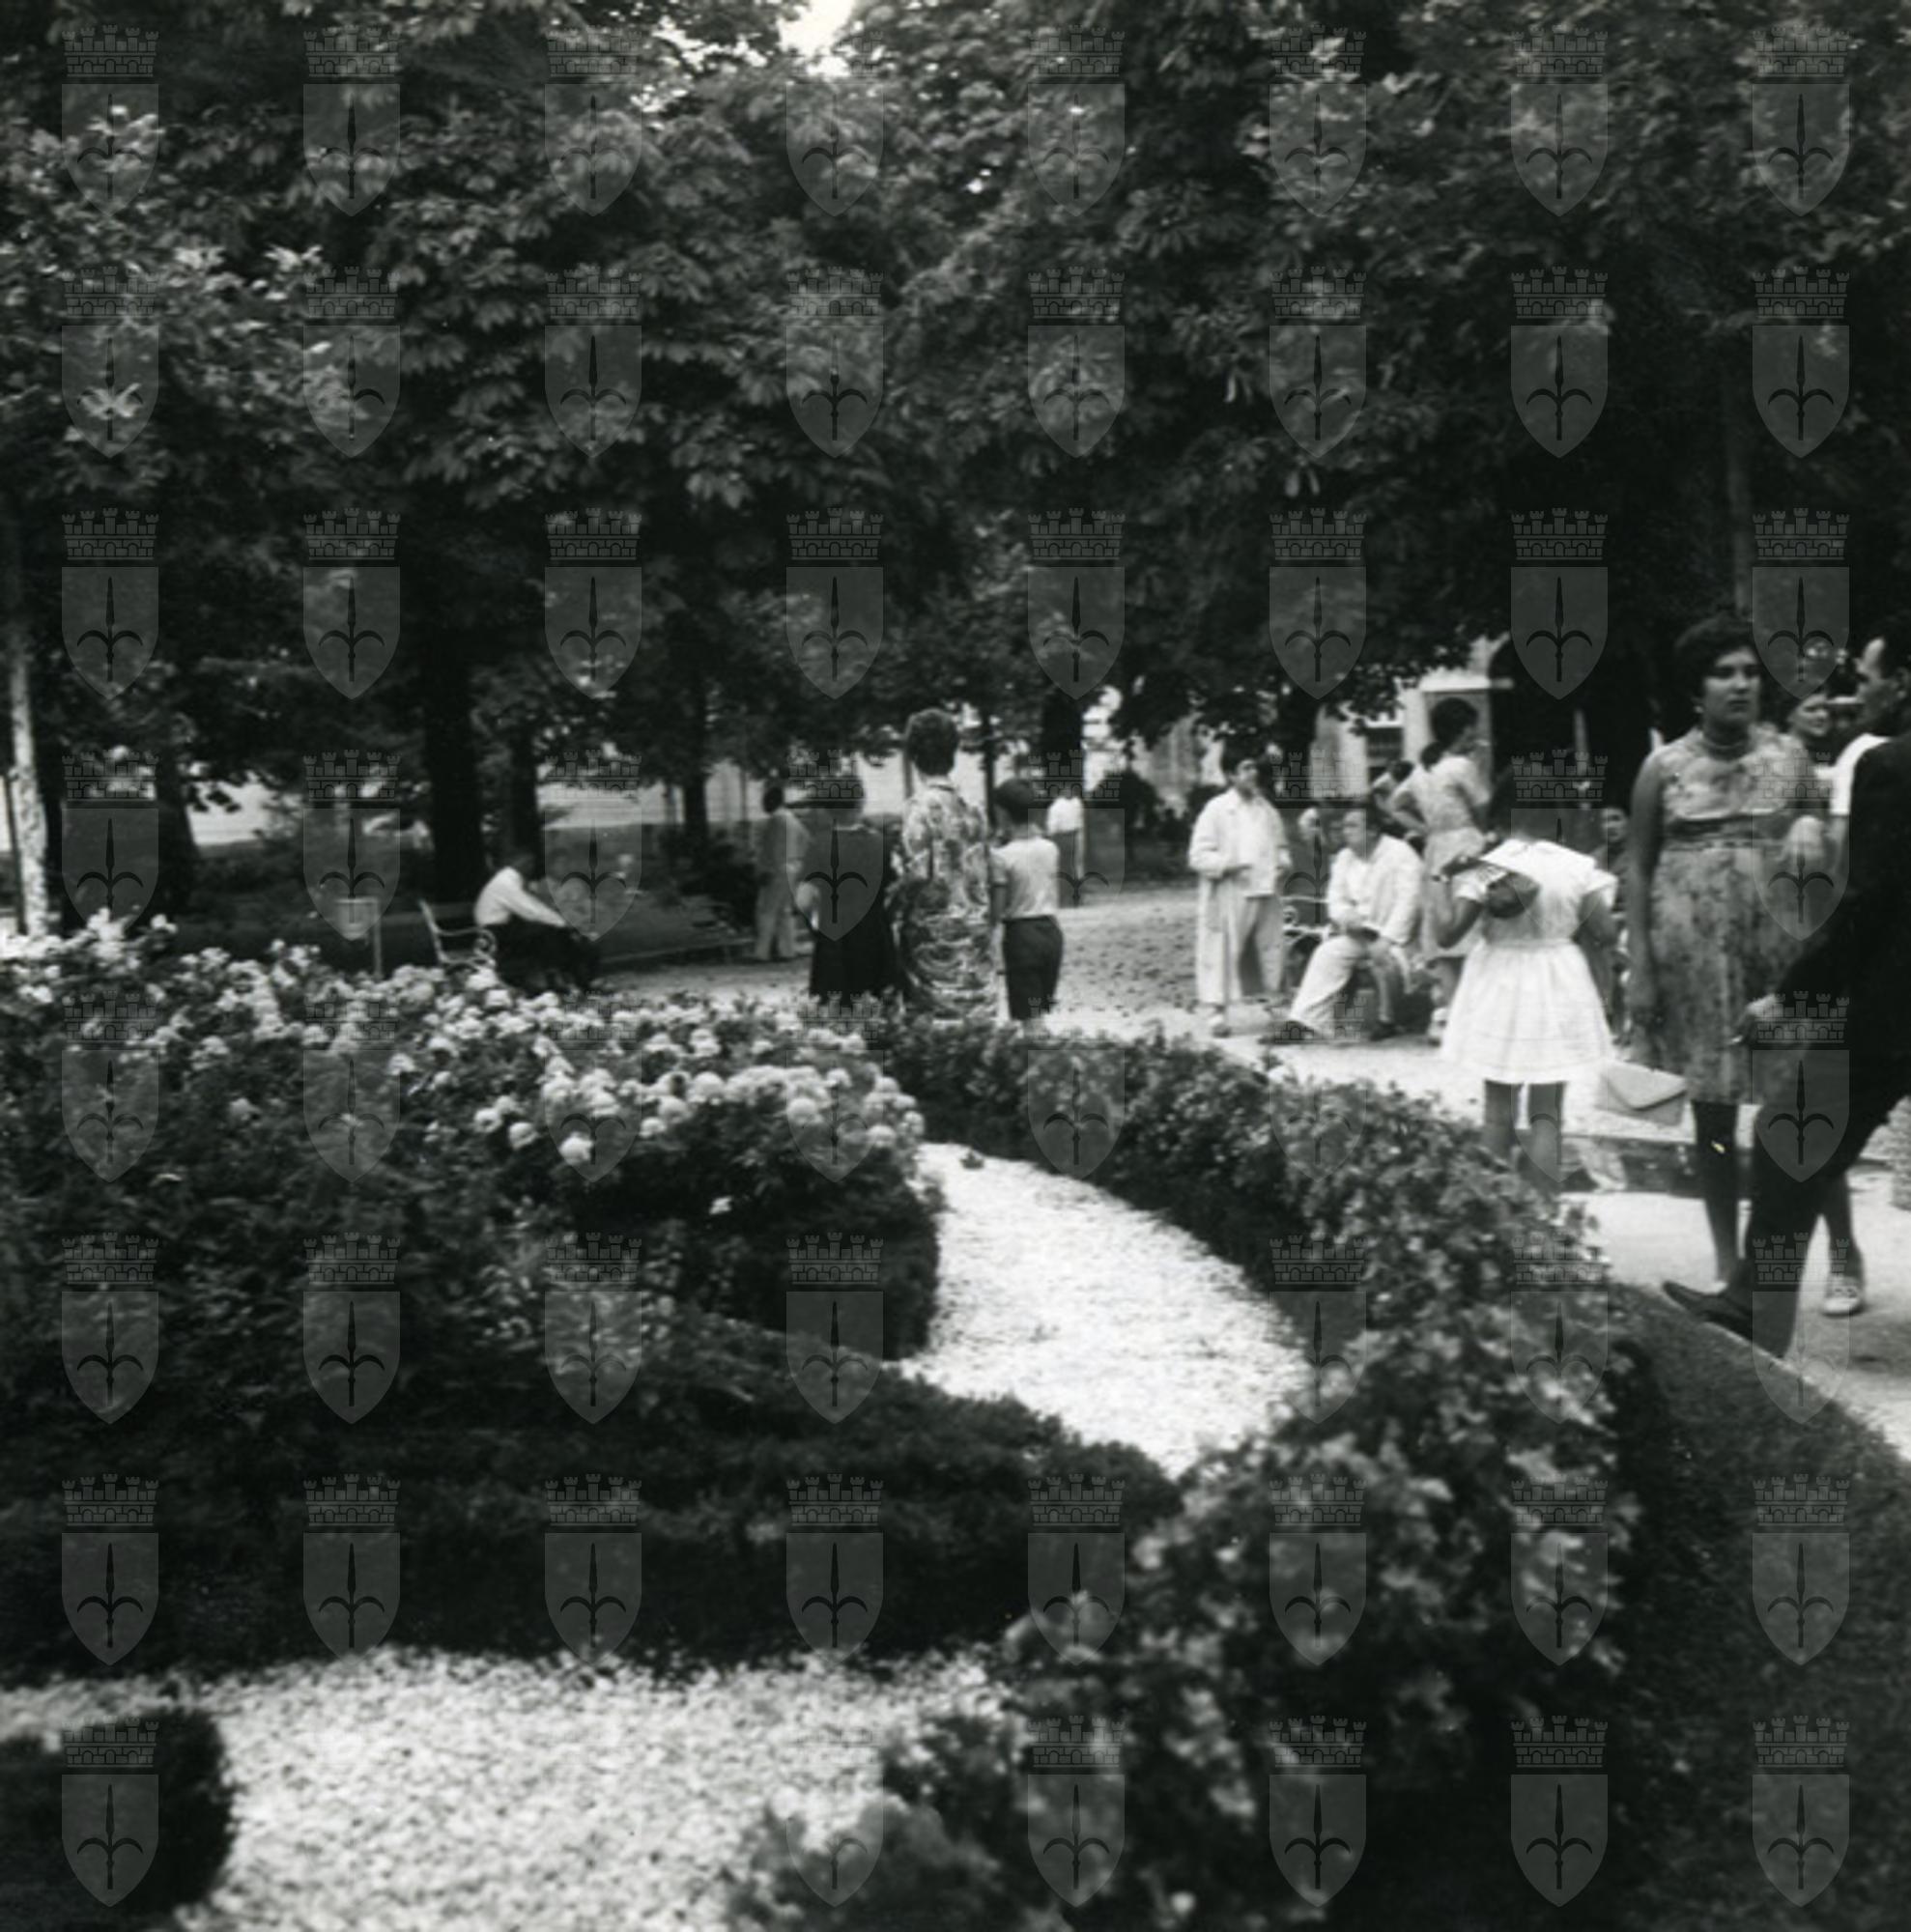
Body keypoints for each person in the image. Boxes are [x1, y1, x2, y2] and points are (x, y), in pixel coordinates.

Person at [1665, 623, 1911, 1346]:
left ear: (1904, 681)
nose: (1861, 690)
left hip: (1895, 1014)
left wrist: (1791, 998)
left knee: (1786, 1140)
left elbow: (1866, 906)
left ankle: (1753, 1309)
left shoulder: (1893, 766)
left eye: (1870, 676)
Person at [1626, 612, 1832, 1296]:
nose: (1740, 684)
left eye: (1749, 672)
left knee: (1800, 1105)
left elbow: (1822, 832)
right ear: (1696, 689)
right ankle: (1725, 1261)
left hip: (1777, 952)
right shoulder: (1662, 768)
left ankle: (1844, 1254)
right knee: (1712, 1112)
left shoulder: (1789, 757)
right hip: (1693, 959)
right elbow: (1638, 869)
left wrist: (1808, 823)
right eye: (1723, 673)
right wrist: (1642, 970)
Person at [1428, 773, 1616, 1198]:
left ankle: (1494, 1211)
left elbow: (1447, 935)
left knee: (1498, 1107)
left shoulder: (1485, 867)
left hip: (1500, 979)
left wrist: (1441, 880)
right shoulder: (1577, 866)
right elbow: (1605, 933)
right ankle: (1544, 1212)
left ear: (1504, 811)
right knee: (1547, 1109)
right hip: (1559, 976)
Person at [1284, 799, 1423, 1040]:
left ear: (1373, 830)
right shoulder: (1345, 857)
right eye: (1343, 826)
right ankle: (1307, 1022)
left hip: (1402, 939)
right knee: (1328, 953)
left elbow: (1409, 902)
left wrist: (1387, 939)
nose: (1345, 832)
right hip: (1360, 933)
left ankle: (1387, 1020)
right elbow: (1336, 898)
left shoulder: (1401, 854)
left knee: (1382, 958)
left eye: (1352, 826)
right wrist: (1347, 917)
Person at [1393, 701, 1490, 1045]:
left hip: (1436, 852)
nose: (1476, 733)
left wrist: (1426, 830)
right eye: (1472, 727)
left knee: (1445, 937)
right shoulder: (1462, 766)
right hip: (1467, 846)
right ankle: (1480, 1020)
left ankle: (1456, 1019)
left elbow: (1395, 804)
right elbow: (1484, 809)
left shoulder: (1423, 770)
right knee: (1474, 929)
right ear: (1462, 729)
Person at [893, 708, 993, 1014]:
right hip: (975, 928)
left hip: (934, 937)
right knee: (974, 1017)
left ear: (913, 755)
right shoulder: (974, 808)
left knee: (935, 1021)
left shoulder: (918, 808)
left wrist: (893, 905)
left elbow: (916, 873)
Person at [1188, 751, 1286, 1037]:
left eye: (1254, 767)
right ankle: (1217, 1012)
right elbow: (1197, 855)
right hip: (1231, 890)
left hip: (1266, 888)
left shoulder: (1266, 809)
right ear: (1231, 775)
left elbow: (1281, 846)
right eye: (1245, 768)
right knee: (1222, 948)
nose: (1252, 773)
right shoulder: (1216, 809)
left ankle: (1276, 1007)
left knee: (1272, 947)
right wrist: (1227, 865)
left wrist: (1283, 862)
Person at [796, 774, 899, 1009]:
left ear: (828, 809)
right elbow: (895, 889)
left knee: (836, 1007)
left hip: (835, 937)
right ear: (860, 803)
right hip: (875, 934)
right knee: (877, 1007)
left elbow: (804, 899)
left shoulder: (819, 845)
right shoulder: (881, 844)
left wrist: (813, 923)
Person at [988, 777, 1064, 1025]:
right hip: (1051, 932)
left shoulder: (1001, 857)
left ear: (1002, 813)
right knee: (1038, 1009)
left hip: (1022, 936)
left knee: (1030, 1018)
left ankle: (1035, 1048)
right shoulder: (1050, 848)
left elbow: (998, 908)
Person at [474, 844, 597, 991]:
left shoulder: (509, 880)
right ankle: (565, 978)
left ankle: (565, 977)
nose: (532, 867)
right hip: (496, 933)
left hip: (502, 929)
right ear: (521, 862)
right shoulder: (506, 883)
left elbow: (533, 907)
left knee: (551, 933)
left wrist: (560, 922)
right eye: (530, 863)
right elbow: (531, 910)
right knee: (551, 933)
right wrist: (561, 923)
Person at [752, 782, 810, 963]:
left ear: (773, 801)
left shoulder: (775, 821)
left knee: (766, 911)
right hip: (792, 868)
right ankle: (787, 950)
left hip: (776, 870)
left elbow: (772, 849)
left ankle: (762, 952)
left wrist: (764, 870)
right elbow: (806, 841)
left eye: (765, 800)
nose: (762, 804)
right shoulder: (793, 820)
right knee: (785, 911)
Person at [1043, 780, 1085, 896]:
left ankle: (1066, 894)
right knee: (1072, 866)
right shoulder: (1075, 803)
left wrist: (1049, 836)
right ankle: (1073, 893)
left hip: (1064, 837)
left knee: (1064, 866)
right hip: (1071, 836)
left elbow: (1052, 827)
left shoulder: (1058, 807)